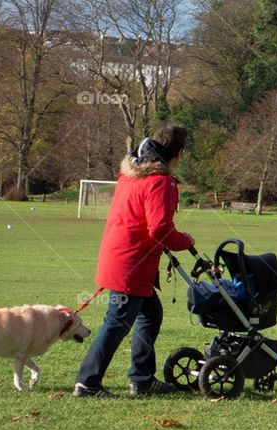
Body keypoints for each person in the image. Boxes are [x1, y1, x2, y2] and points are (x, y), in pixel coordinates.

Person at [73, 124, 195, 398]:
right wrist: (185, 241)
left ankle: (142, 380)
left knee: (150, 314)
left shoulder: (132, 176)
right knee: (117, 322)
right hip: (131, 263)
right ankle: (88, 382)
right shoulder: (159, 181)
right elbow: (160, 228)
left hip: (122, 257)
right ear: (178, 152)